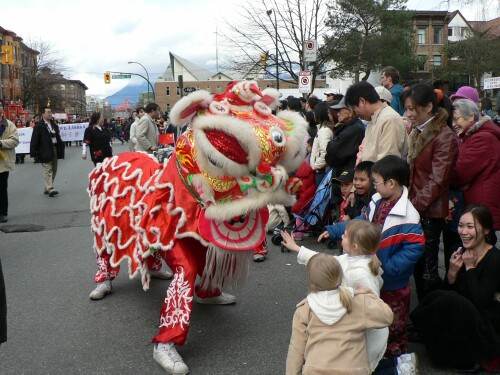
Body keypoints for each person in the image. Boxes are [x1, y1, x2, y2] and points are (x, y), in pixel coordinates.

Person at [317, 155, 425, 357]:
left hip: (393, 282)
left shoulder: (409, 214)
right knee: (372, 316)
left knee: (394, 320)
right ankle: (375, 354)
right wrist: (335, 229)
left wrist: (388, 267)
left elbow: (414, 248)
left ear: (391, 183)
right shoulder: (377, 202)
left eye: (376, 182)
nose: (374, 186)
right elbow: (359, 224)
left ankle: (394, 357)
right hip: (372, 273)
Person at [410, 205, 500, 372]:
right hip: (462, 312)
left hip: (485, 322)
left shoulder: (494, 258)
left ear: (486, 230)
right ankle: (420, 327)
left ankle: (420, 327)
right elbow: (449, 290)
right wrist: (451, 272)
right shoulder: (458, 250)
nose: (463, 231)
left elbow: (481, 301)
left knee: (449, 300)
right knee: (441, 295)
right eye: (460, 225)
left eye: (470, 227)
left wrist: (470, 268)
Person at [285, 253, 393, 375]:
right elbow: (387, 317)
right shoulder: (357, 301)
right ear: (340, 277)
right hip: (354, 370)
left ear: (312, 283)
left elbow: (296, 350)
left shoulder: (305, 309)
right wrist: (369, 294)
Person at [402, 83, 459, 301]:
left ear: (428, 107)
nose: (408, 114)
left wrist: (414, 206)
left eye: (411, 108)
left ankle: (430, 318)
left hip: (430, 211)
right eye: (406, 109)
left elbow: (438, 179)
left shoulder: (443, 136)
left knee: (428, 267)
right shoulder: (419, 131)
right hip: (417, 207)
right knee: (418, 266)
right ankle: (425, 316)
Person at [451, 99, 500, 230]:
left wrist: (457, 183)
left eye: (456, 119)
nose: (453, 124)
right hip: (479, 199)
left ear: (471, 116)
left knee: (482, 242)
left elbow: (460, 173)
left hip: (481, 202)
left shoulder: (482, 138)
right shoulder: (471, 135)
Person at [345, 81, 408, 162]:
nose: (355, 114)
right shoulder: (373, 120)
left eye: (354, 109)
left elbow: (387, 162)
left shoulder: (389, 119)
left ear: (362, 101)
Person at [30, 107, 65, 197]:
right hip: (44, 149)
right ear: (43, 114)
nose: (50, 114)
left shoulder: (53, 124)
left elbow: (57, 136)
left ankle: (47, 186)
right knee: (47, 168)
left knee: (54, 169)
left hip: (54, 148)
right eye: (48, 112)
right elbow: (34, 140)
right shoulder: (39, 126)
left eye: (51, 112)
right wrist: (34, 153)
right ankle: (50, 188)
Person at [325, 97, 365, 176]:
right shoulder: (349, 126)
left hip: (346, 174)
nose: (337, 114)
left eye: (339, 111)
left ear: (350, 112)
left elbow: (333, 150)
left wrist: (331, 145)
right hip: (342, 173)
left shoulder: (355, 129)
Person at [0, 99, 20, 223]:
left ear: (3, 108)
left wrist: (1, 143)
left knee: (2, 188)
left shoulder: (8, 124)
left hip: (3, 161)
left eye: (0, 105)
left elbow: (15, 140)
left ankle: (2, 212)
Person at [310, 101, 334, 186]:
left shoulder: (324, 130)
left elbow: (325, 152)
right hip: (321, 170)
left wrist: (315, 166)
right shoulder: (323, 128)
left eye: (315, 112)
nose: (314, 115)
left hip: (322, 172)